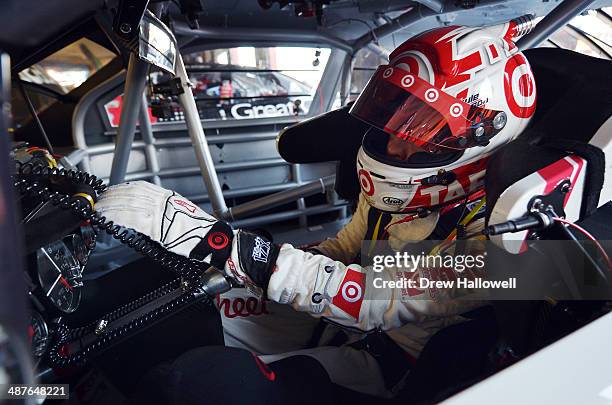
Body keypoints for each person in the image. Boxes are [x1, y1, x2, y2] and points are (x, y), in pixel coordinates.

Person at [96, 21, 537, 402]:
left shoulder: (505, 238)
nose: (396, 142)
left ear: (478, 141)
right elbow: (345, 247)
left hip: (392, 367)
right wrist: (253, 267)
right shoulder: (400, 193)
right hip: (343, 327)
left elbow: (377, 299)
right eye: (400, 117)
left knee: (201, 384)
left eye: (420, 129)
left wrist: (225, 245)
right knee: (172, 300)